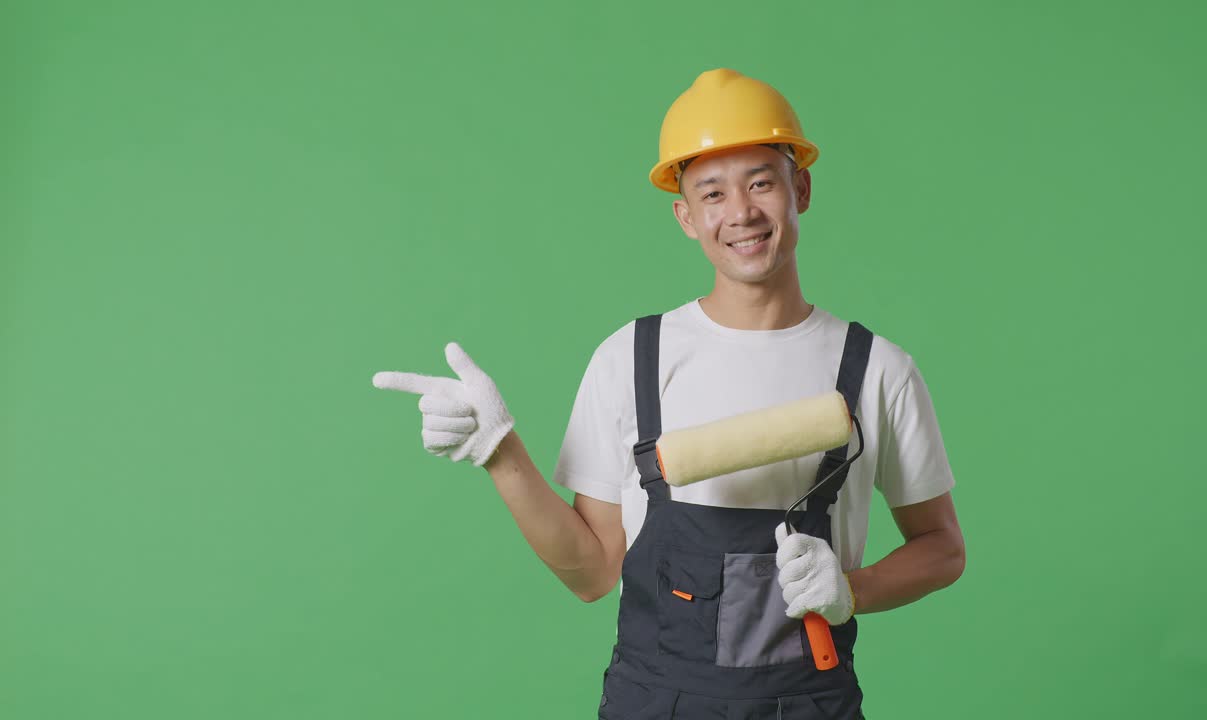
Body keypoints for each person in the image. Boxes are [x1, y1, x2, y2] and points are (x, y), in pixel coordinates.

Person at [373, 68, 965, 719]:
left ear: (801, 188)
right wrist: (498, 451)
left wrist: (852, 589)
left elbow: (942, 548)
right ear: (686, 216)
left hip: (808, 704)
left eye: (761, 182)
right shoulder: (631, 359)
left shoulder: (877, 369)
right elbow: (593, 573)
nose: (740, 212)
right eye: (712, 193)